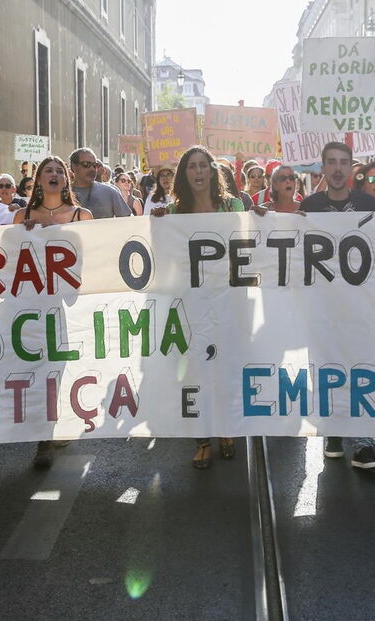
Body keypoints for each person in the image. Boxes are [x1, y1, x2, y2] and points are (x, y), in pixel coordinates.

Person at [150, 145, 243, 469]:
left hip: (226, 302)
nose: (199, 172)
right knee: (194, 371)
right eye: (192, 166)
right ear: (184, 174)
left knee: (223, 369)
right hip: (189, 304)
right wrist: (156, 224)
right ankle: (202, 439)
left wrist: (258, 218)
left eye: (204, 165)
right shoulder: (173, 214)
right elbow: (162, 257)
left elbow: (246, 248)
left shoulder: (233, 205)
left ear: (212, 171)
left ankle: (226, 430)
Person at [299, 142, 375, 471]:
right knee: (326, 367)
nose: (337, 168)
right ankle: (333, 432)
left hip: (360, 304)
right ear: (322, 167)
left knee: (363, 366)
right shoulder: (310, 204)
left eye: (343, 162)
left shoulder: (367, 203)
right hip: (322, 306)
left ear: (352, 169)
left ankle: (364, 444)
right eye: (331, 162)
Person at [12, 156, 93, 468]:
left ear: (66, 180)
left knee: (59, 369)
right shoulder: (22, 215)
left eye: (60, 170)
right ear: (39, 179)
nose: (54, 174)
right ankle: (42, 438)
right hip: (32, 309)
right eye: (48, 170)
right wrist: (21, 233)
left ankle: (52, 428)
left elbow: (96, 256)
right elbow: (4, 257)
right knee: (37, 371)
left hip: (68, 307)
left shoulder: (81, 215)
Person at [68, 148, 131, 218]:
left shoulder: (110, 192)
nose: (92, 169)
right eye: (86, 164)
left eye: (95, 165)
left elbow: (128, 221)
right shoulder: (62, 194)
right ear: (73, 166)